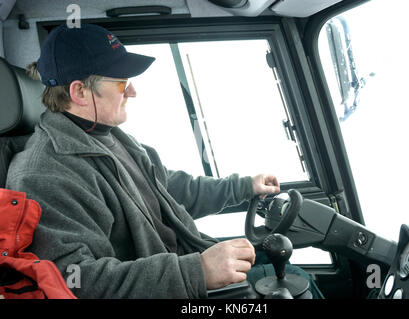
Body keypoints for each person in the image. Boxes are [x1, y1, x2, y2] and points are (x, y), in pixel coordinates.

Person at [6, 23, 282, 298]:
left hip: (183, 269)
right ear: (79, 92)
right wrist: (195, 272)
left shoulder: (112, 138)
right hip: (174, 287)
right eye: (121, 83)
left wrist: (244, 187)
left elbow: (168, 189)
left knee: (284, 269)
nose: (133, 92)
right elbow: (75, 281)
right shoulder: (44, 175)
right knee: (292, 280)